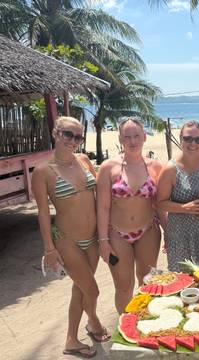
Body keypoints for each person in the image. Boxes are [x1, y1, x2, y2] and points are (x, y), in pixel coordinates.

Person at [32, 116, 109, 358]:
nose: (73, 140)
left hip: (93, 238)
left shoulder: (84, 160)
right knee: (92, 290)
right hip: (68, 241)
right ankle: (93, 321)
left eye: (78, 136)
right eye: (68, 134)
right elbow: (43, 213)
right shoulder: (43, 171)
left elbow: (100, 198)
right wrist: (49, 249)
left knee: (80, 288)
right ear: (55, 133)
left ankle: (72, 339)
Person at [96, 117, 164, 314]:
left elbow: (159, 205)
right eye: (127, 137)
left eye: (136, 136)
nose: (132, 141)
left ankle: (145, 324)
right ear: (120, 139)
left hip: (148, 231)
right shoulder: (108, 167)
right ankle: (125, 327)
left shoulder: (155, 167)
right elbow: (102, 207)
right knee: (124, 286)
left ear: (144, 137)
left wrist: (168, 233)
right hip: (117, 234)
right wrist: (103, 240)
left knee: (147, 280)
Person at [157, 121, 199, 272]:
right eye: (187, 139)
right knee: (185, 287)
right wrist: (183, 208)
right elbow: (159, 203)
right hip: (182, 235)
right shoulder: (170, 169)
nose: (193, 143)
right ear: (180, 138)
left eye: (198, 140)